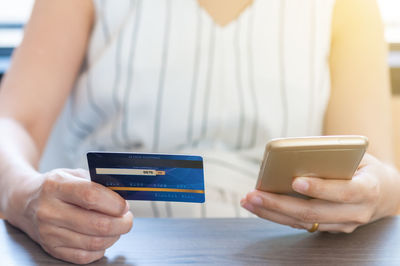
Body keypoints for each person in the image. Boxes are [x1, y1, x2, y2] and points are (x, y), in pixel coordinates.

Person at [0, 0, 399, 264]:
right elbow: (11, 124)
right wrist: (24, 196)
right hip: (110, 247)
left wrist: (373, 195)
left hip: (287, 252)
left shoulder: (347, 5)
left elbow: (381, 172)